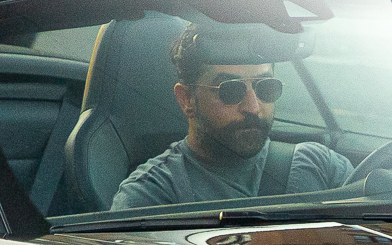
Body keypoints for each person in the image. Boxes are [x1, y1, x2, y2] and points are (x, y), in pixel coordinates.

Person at [112, 23, 353, 211]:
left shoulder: (320, 165)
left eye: (265, 87)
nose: (253, 107)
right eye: (230, 90)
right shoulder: (151, 196)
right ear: (186, 99)